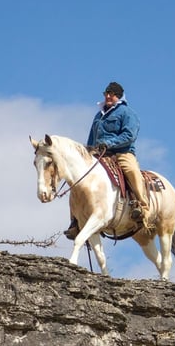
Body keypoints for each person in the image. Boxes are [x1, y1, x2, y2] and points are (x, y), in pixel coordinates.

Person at [64, 81, 151, 239]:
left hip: (122, 153)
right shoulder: (99, 115)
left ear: (118, 96)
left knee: (131, 170)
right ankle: (75, 220)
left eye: (111, 94)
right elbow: (92, 137)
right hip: (99, 154)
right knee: (78, 179)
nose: (108, 96)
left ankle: (142, 205)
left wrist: (109, 143)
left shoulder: (127, 113)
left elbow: (129, 135)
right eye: (106, 94)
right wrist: (88, 151)